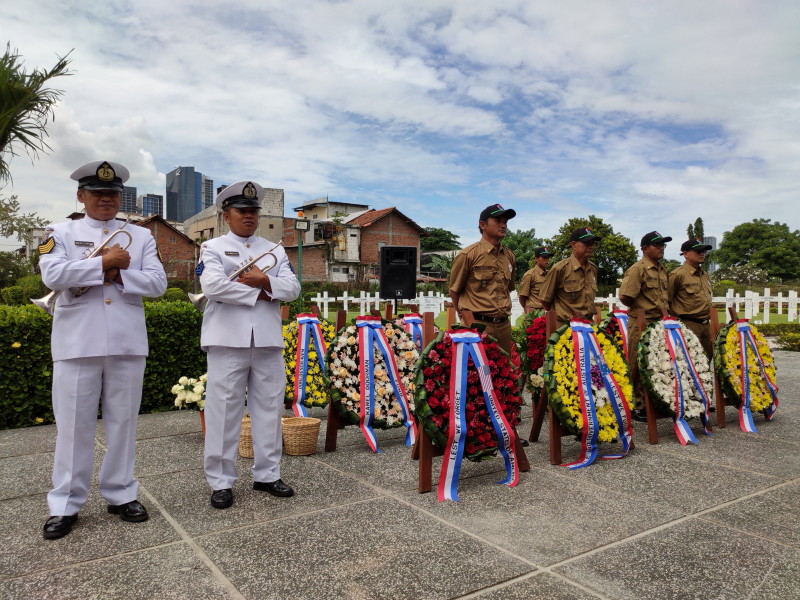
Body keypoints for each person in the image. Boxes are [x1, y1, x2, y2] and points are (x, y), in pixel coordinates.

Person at [38, 160, 167, 540]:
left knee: (123, 423)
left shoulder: (141, 237)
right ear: (81, 196)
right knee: (74, 428)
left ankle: (120, 493)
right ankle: (65, 503)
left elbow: (158, 283)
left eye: (112, 193)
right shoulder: (59, 231)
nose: (106, 199)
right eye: (97, 193)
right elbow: (53, 275)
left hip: (127, 342)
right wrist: (104, 263)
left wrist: (119, 274)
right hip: (77, 342)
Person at [199, 180, 300, 509]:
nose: (249, 216)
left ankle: (268, 474)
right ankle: (221, 481)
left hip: (267, 340)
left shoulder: (275, 250)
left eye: (254, 211)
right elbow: (212, 286)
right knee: (224, 412)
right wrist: (263, 290)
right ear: (227, 215)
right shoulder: (212, 248)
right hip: (227, 341)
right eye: (242, 211)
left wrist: (265, 280)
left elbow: (293, 289)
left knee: (269, 410)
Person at [448, 203, 517, 355]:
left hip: (503, 325)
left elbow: (508, 288)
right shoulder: (468, 255)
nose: (503, 225)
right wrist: (466, 318)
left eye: (505, 222)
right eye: (498, 221)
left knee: (504, 373)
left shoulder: (509, 256)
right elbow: (454, 290)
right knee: (477, 374)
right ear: (483, 224)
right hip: (478, 324)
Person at [618, 230, 672, 420]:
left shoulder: (662, 270)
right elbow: (625, 297)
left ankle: (656, 401)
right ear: (644, 248)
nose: (661, 248)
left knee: (658, 364)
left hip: (659, 324)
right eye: (657, 245)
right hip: (641, 322)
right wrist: (641, 310)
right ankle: (636, 405)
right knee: (638, 364)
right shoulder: (638, 269)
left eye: (663, 245)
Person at [538, 227, 601, 326]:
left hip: (588, 326)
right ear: (573, 244)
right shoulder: (560, 269)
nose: (591, 246)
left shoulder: (593, 269)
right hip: (565, 327)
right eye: (586, 243)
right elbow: (545, 299)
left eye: (592, 243)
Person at [669, 239, 714, 358]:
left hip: (706, 326)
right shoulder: (678, 275)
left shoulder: (704, 275)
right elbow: (666, 300)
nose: (702, 253)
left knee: (706, 362)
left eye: (703, 251)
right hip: (688, 325)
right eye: (698, 251)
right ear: (685, 253)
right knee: (690, 363)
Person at [518, 246, 553, 314]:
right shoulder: (530, 275)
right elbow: (522, 296)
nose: (547, 260)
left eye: (548, 258)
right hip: (534, 312)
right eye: (544, 257)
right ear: (536, 259)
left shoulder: (549, 274)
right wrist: (527, 310)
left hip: (547, 311)